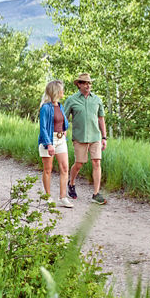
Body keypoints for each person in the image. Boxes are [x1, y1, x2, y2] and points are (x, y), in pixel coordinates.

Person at [63, 73, 108, 205]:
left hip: (95, 137)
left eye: (89, 83)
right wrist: (62, 134)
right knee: (79, 163)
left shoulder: (97, 100)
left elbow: (101, 119)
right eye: (85, 83)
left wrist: (104, 137)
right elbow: (65, 119)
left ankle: (96, 194)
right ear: (79, 84)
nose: (88, 85)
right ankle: (71, 183)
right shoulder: (71, 100)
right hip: (79, 137)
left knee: (96, 163)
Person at [37, 80, 73, 208]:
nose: (63, 91)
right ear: (56, 91)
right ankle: (48, 197)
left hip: (61, 139)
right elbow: (43, 128)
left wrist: (64, 129)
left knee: (64, 168)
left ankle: (63, 197)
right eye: (61, 89)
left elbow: (62, 121)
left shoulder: (60, 106)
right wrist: (49, 144)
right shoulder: (45, 107)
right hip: (49, 140)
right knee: (48, 169)